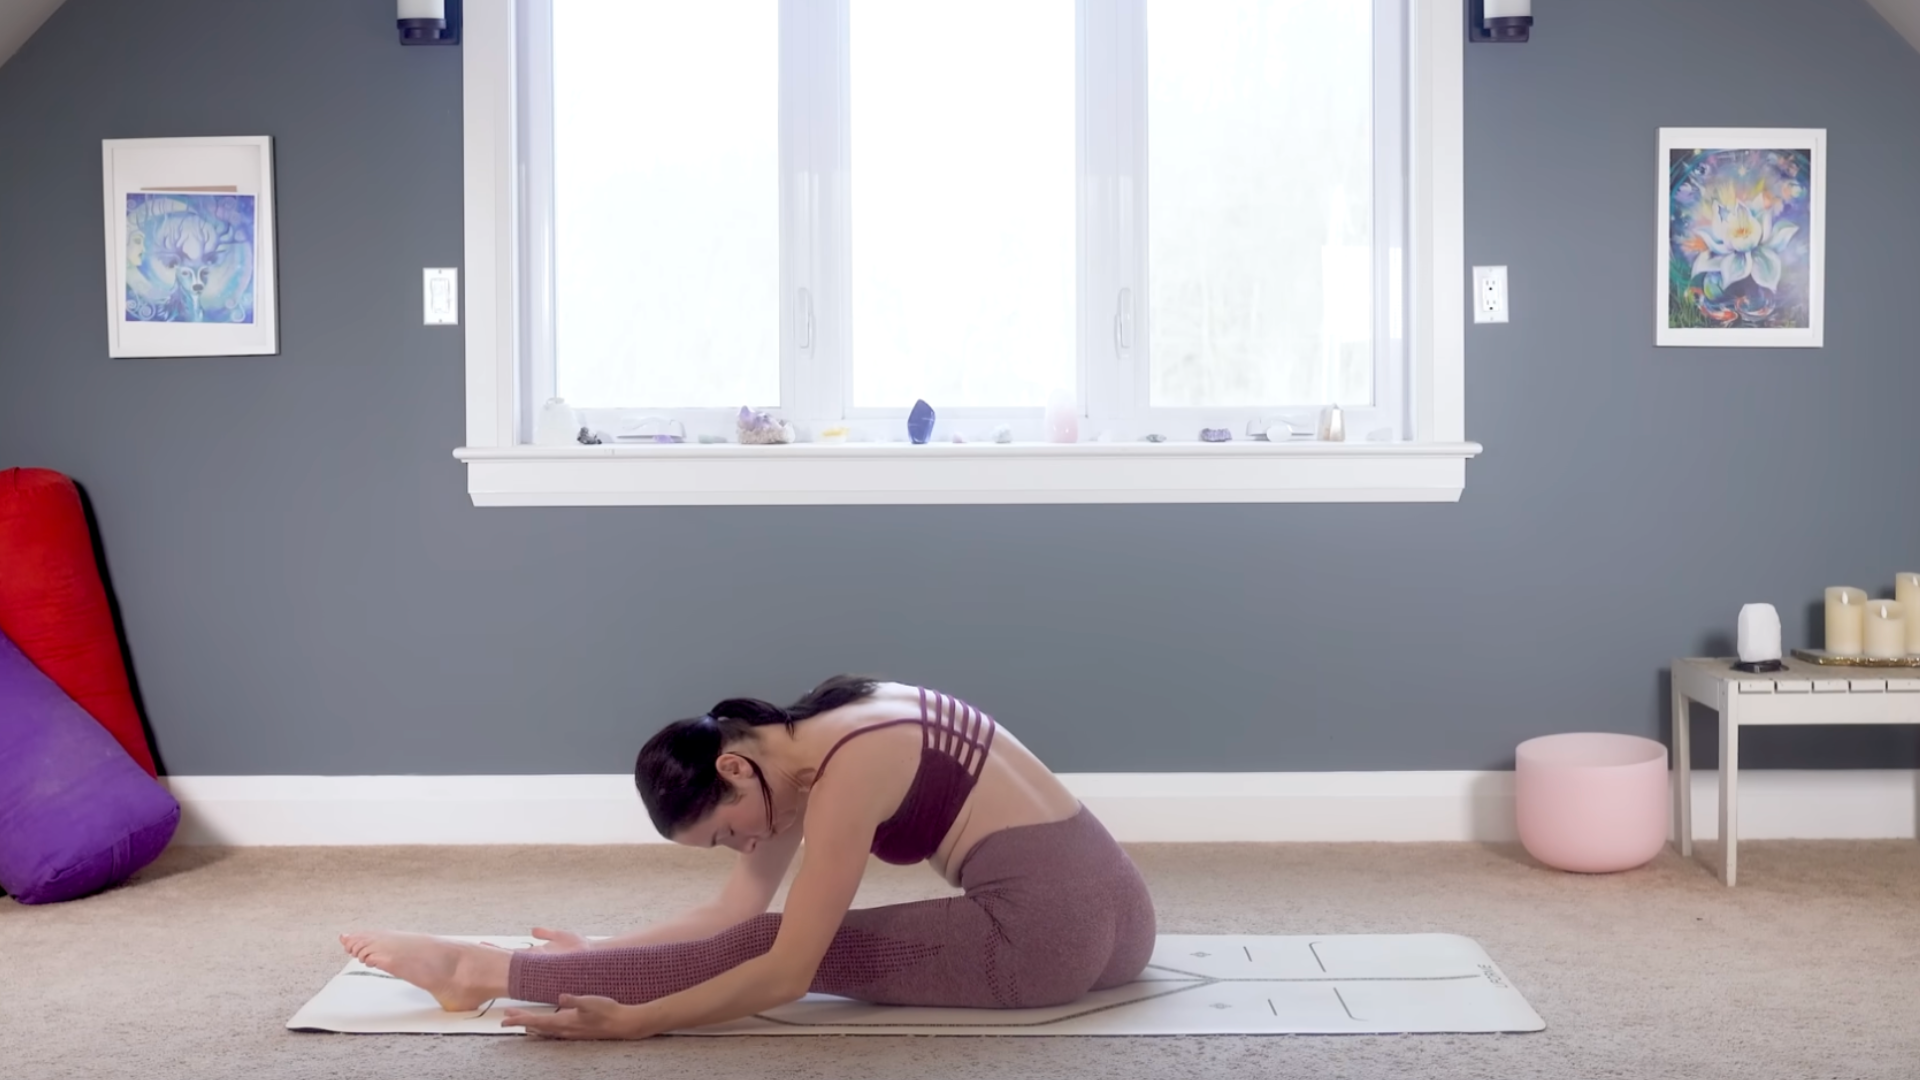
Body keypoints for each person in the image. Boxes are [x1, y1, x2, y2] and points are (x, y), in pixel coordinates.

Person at [339, 676, 1157, 1040]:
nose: (744, 847)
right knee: (758, 932)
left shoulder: (846, 774)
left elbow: (784, 969)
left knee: (777, 947)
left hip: (1041, 943)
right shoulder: (823, 733)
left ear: (732, 769)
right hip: (1125, 922)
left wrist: (640, 1020)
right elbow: (731, 908)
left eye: (727, 834)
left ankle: (477, 972)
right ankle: (528, 969)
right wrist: (601, 954)